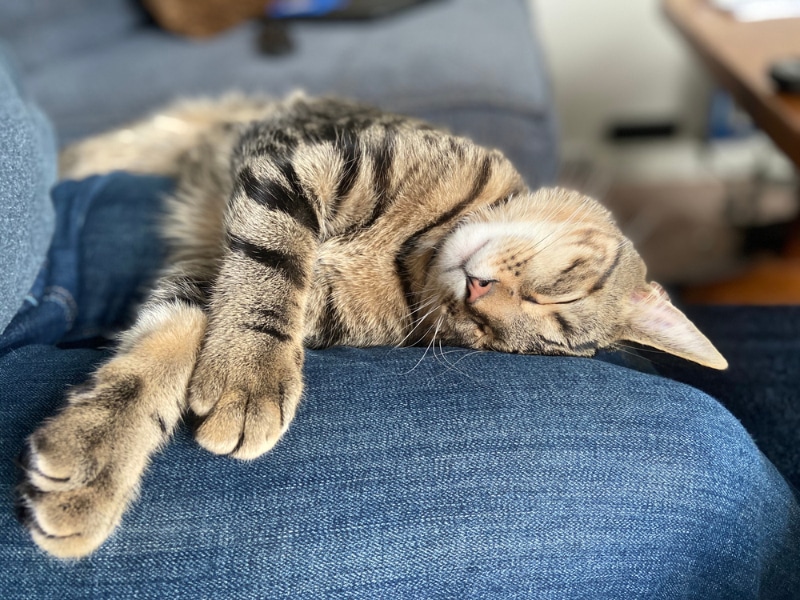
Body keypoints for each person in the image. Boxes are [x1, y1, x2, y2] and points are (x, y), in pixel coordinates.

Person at [0, 45, 797, 600]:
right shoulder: (474, 175)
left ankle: (124, 405)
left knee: (649, 377)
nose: (492, 291)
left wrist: (147, 392)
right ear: (632, 272)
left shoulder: (432, 314)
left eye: (508, 326)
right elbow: (283, 173)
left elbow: (221, 285)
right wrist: (261, 338)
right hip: (206, 157)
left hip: (110, 227)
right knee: (713, 489)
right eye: (556, 281)